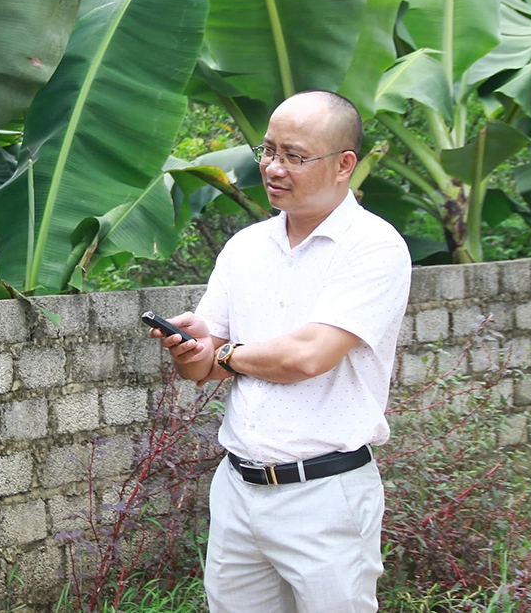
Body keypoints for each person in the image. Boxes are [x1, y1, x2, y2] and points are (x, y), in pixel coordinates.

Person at [154, 90, 412, 612]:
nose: (274, 167)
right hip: (238, 487)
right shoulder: (245, 247)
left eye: (294, 156)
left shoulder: (375, 247)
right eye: (267, 150)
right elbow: (204, 363)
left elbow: (308, 357)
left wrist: (227, 355)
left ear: (344, 165)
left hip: (325, 494)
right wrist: (190, 350)